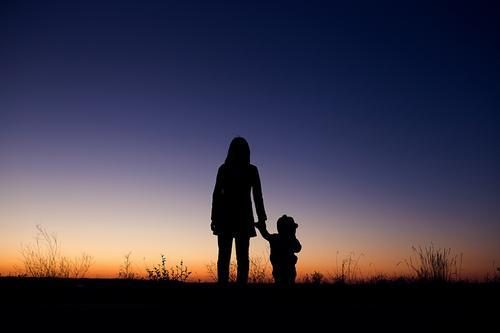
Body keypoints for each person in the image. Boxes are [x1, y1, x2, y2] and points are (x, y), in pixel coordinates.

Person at [211, 137, 267, 284]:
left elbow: (257, 196)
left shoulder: (250, 170)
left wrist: (262, 218)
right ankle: (229, 287)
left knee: (237, 257)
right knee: (230, 256)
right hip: (228, 218)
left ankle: (237, 288)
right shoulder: (225, 169)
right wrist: (214, 218)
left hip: (236, 218)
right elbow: (216, 194)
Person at [255, 215, 301, 285]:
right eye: (292, 228)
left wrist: (261, 228)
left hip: (282, 271)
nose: (294, 230)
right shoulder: (289, 239)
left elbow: (265, 234)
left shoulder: (275, 238)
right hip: (286, 271)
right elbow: (298, 248)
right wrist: (293, 236)